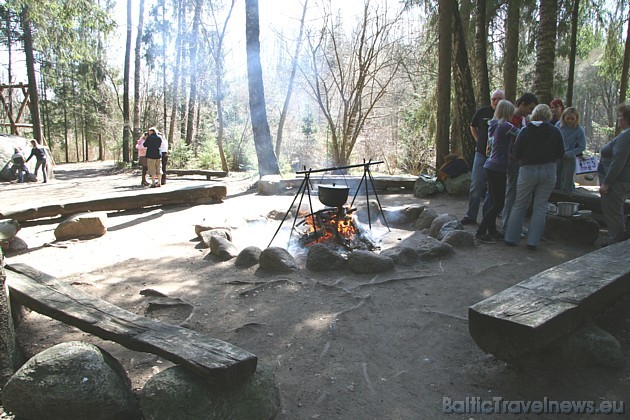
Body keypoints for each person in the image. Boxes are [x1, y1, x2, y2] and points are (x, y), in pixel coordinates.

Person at [504, 104, 564, 249]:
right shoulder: (554, 131)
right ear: (548, 116)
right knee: (541, 206)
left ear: (534, 114)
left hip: (527, 170)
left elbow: (517, 153)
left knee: (520, 204)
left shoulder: (525, 131)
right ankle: (533, 241)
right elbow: (561, 152)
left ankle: (511, 238)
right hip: (548, 170)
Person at [475, 100, 520, 244]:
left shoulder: (493, 124)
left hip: (491, 166)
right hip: (498, 167)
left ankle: (492, 230)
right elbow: (522, 134)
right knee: (498, 204)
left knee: (494, 201)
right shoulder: (506, 126)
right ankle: (481, 232)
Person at [461, 89, 506, 225]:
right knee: (476, 184)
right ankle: (471, 215)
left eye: (499, 99)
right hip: (481, 153)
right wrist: (478, 140)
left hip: (497, 157)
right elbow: (472, 126)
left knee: (492, 189)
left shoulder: (507, 114)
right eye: (494, 99)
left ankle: (487, 216)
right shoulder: (483, 112)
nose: (496, 101)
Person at [502, 92, 539, 233]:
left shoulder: (524, 120)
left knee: (521, 195)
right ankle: (506, 225)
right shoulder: (509, 119)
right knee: (511, 193)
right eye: (530, 108)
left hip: (522, 161)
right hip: (511, 161)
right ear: (522, 104)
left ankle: (516, 223)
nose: (530, 112)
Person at [598, 103, 630, 246]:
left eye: (620, 116)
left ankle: (615, 242)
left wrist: (607, 183)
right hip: (622, 181)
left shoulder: (626, 137)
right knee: (615, 210)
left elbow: (618, 162)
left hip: (616, 182)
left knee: (613, 212)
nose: (618, 119)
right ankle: (615, 240)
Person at [555, 107, 586, 192]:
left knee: (567, 182)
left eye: (572, 119)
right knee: (556, 180)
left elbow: (582, 147)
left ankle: (568, 198)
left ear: (576, 119)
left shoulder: (579, 130)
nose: (569, 121)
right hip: (557, 156)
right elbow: (553, 140)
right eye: (567, 118)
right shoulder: (558, 125)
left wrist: (569, 153)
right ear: (564, 117)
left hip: (570, 157)